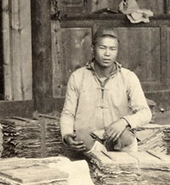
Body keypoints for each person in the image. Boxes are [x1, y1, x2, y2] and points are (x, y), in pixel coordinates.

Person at [60, 27, 152, 155]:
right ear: (93, 49)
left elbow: (145, 113)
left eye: (112, 49)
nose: (107, 53)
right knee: (81, 138)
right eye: (102, 48)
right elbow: (68, 113)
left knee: (126, 138)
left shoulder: (128, 77)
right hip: (90, 139)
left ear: (117, 51)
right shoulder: (77, 77)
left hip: (116, 137)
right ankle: (102, 159)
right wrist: (66, 134)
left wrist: (124, 122)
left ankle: (116, 162)